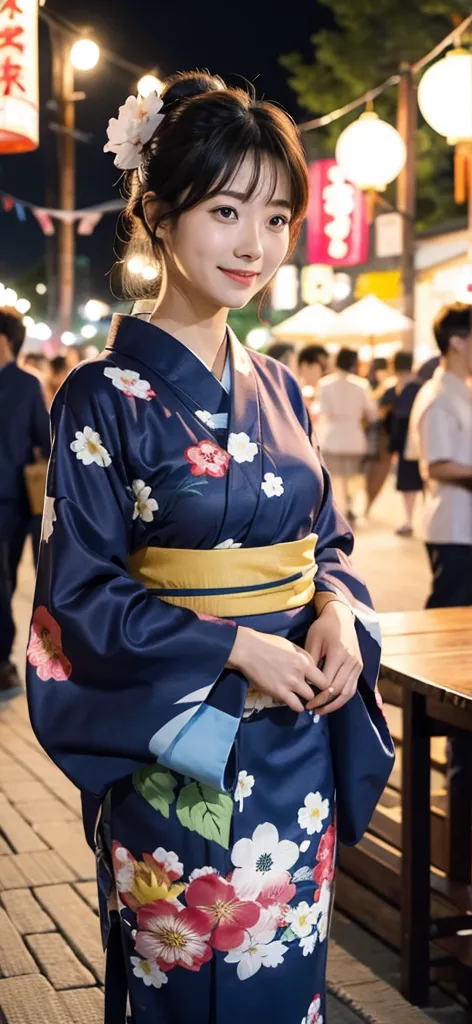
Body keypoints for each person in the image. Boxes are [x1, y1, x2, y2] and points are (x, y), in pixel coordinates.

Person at [26, 71, 389, 1024]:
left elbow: (329, 537)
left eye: (275, 219)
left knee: (288, 974)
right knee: (182, 982)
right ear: (155, 210)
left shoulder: (282, 386)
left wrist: (339, 609)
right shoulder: (100, 398)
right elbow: (82, 597)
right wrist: (232, 644)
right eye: (226, 210)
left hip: (296, 737)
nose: (254, 245)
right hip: (181, 745)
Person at [407, 303, 472, 606]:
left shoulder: (461, 391)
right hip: (453, 527)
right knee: (449, 613)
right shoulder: (439, 396)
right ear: (457, 342)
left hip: (462, 526)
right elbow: (435, 466)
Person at [0, 307, 50, 698]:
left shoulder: (26, 385)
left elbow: (44, 440)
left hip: (10, 504)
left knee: (5, 582)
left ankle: (3, 661)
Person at [318, 348, 377, 521]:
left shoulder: (325, 384)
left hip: (332, 435)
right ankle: (350, 506)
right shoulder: (361, 385)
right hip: (354, 435)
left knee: (334, 476)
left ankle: (337, 506)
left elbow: (323, 410)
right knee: (353, 475)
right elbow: (372, 413)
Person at [380, 352, 423, 537]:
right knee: (416, 479)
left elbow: (382, 410)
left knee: (409, 481)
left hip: (403, 438)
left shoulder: (392, 387)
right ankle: (411, 518)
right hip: (415, 438)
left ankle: (409, 519)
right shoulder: (418, 387)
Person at [298, 344, 328, 427]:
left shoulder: (321, 389)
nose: (323, 372)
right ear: (305, 366)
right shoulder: (298, 391)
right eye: (321, 367)